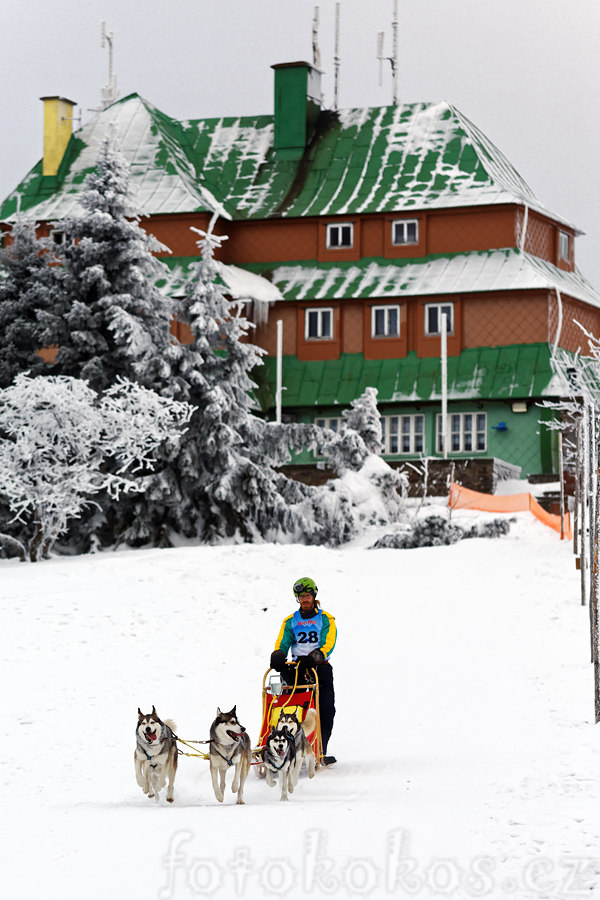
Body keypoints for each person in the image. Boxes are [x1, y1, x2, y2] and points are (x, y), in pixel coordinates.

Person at [270, 576, 337, 765]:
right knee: (291, 709)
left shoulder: (325, 619)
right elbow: (283, 641)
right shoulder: (291, 621)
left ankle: (319, 750)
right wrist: (278, 654)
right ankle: (284, 748)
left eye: (307, 595)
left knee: (325, 710)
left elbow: (328, 642)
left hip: (319, 668)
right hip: (297, 669)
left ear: (314, 595)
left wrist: (317, 656)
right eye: (301, 597)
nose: (305, 599)